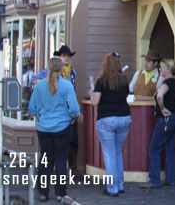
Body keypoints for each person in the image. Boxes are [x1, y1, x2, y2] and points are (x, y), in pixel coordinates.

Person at [28, 57, 80, 202]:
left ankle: (43, 193)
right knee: (61, 160)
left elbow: (32, 109)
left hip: (44, 128)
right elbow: (75, 109)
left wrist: (41, 117)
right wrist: (72, 118)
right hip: (62, 127)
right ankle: (60, 193)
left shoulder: (39, 87)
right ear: (61, 69)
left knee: (45, 160)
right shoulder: (67, 86)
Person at [32, 46, 84, 181]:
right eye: (64, 55)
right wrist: (47, 86)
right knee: (54, 155)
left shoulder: (72, 73)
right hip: (56, 118)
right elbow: (34, 80)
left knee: (73, 142)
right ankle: (55, 186)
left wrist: (75, 114)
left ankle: (71, 170)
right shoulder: (46, 76)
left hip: (64, 118)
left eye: (68, 55)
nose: (66, 58)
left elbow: (32, 108)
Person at [139, 58, 175, 190]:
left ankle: (154, 180)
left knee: (154, 149)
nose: (159, 69)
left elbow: (160, 96)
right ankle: (171, 179)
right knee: (170, 148)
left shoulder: (167, 83)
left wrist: (162, 108)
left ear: (168, 69)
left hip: (166, 119)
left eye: (161, 67)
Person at [90, 52, 132, 197]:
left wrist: (91, 93)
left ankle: (112, 188)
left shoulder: (101, 81)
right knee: (118, 152)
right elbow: (126, 96)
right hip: (124, 118)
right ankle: (120, 185)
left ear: (105, 64)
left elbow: (95, 101)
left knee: (109, 155)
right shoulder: (124, 81)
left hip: (107, 119)